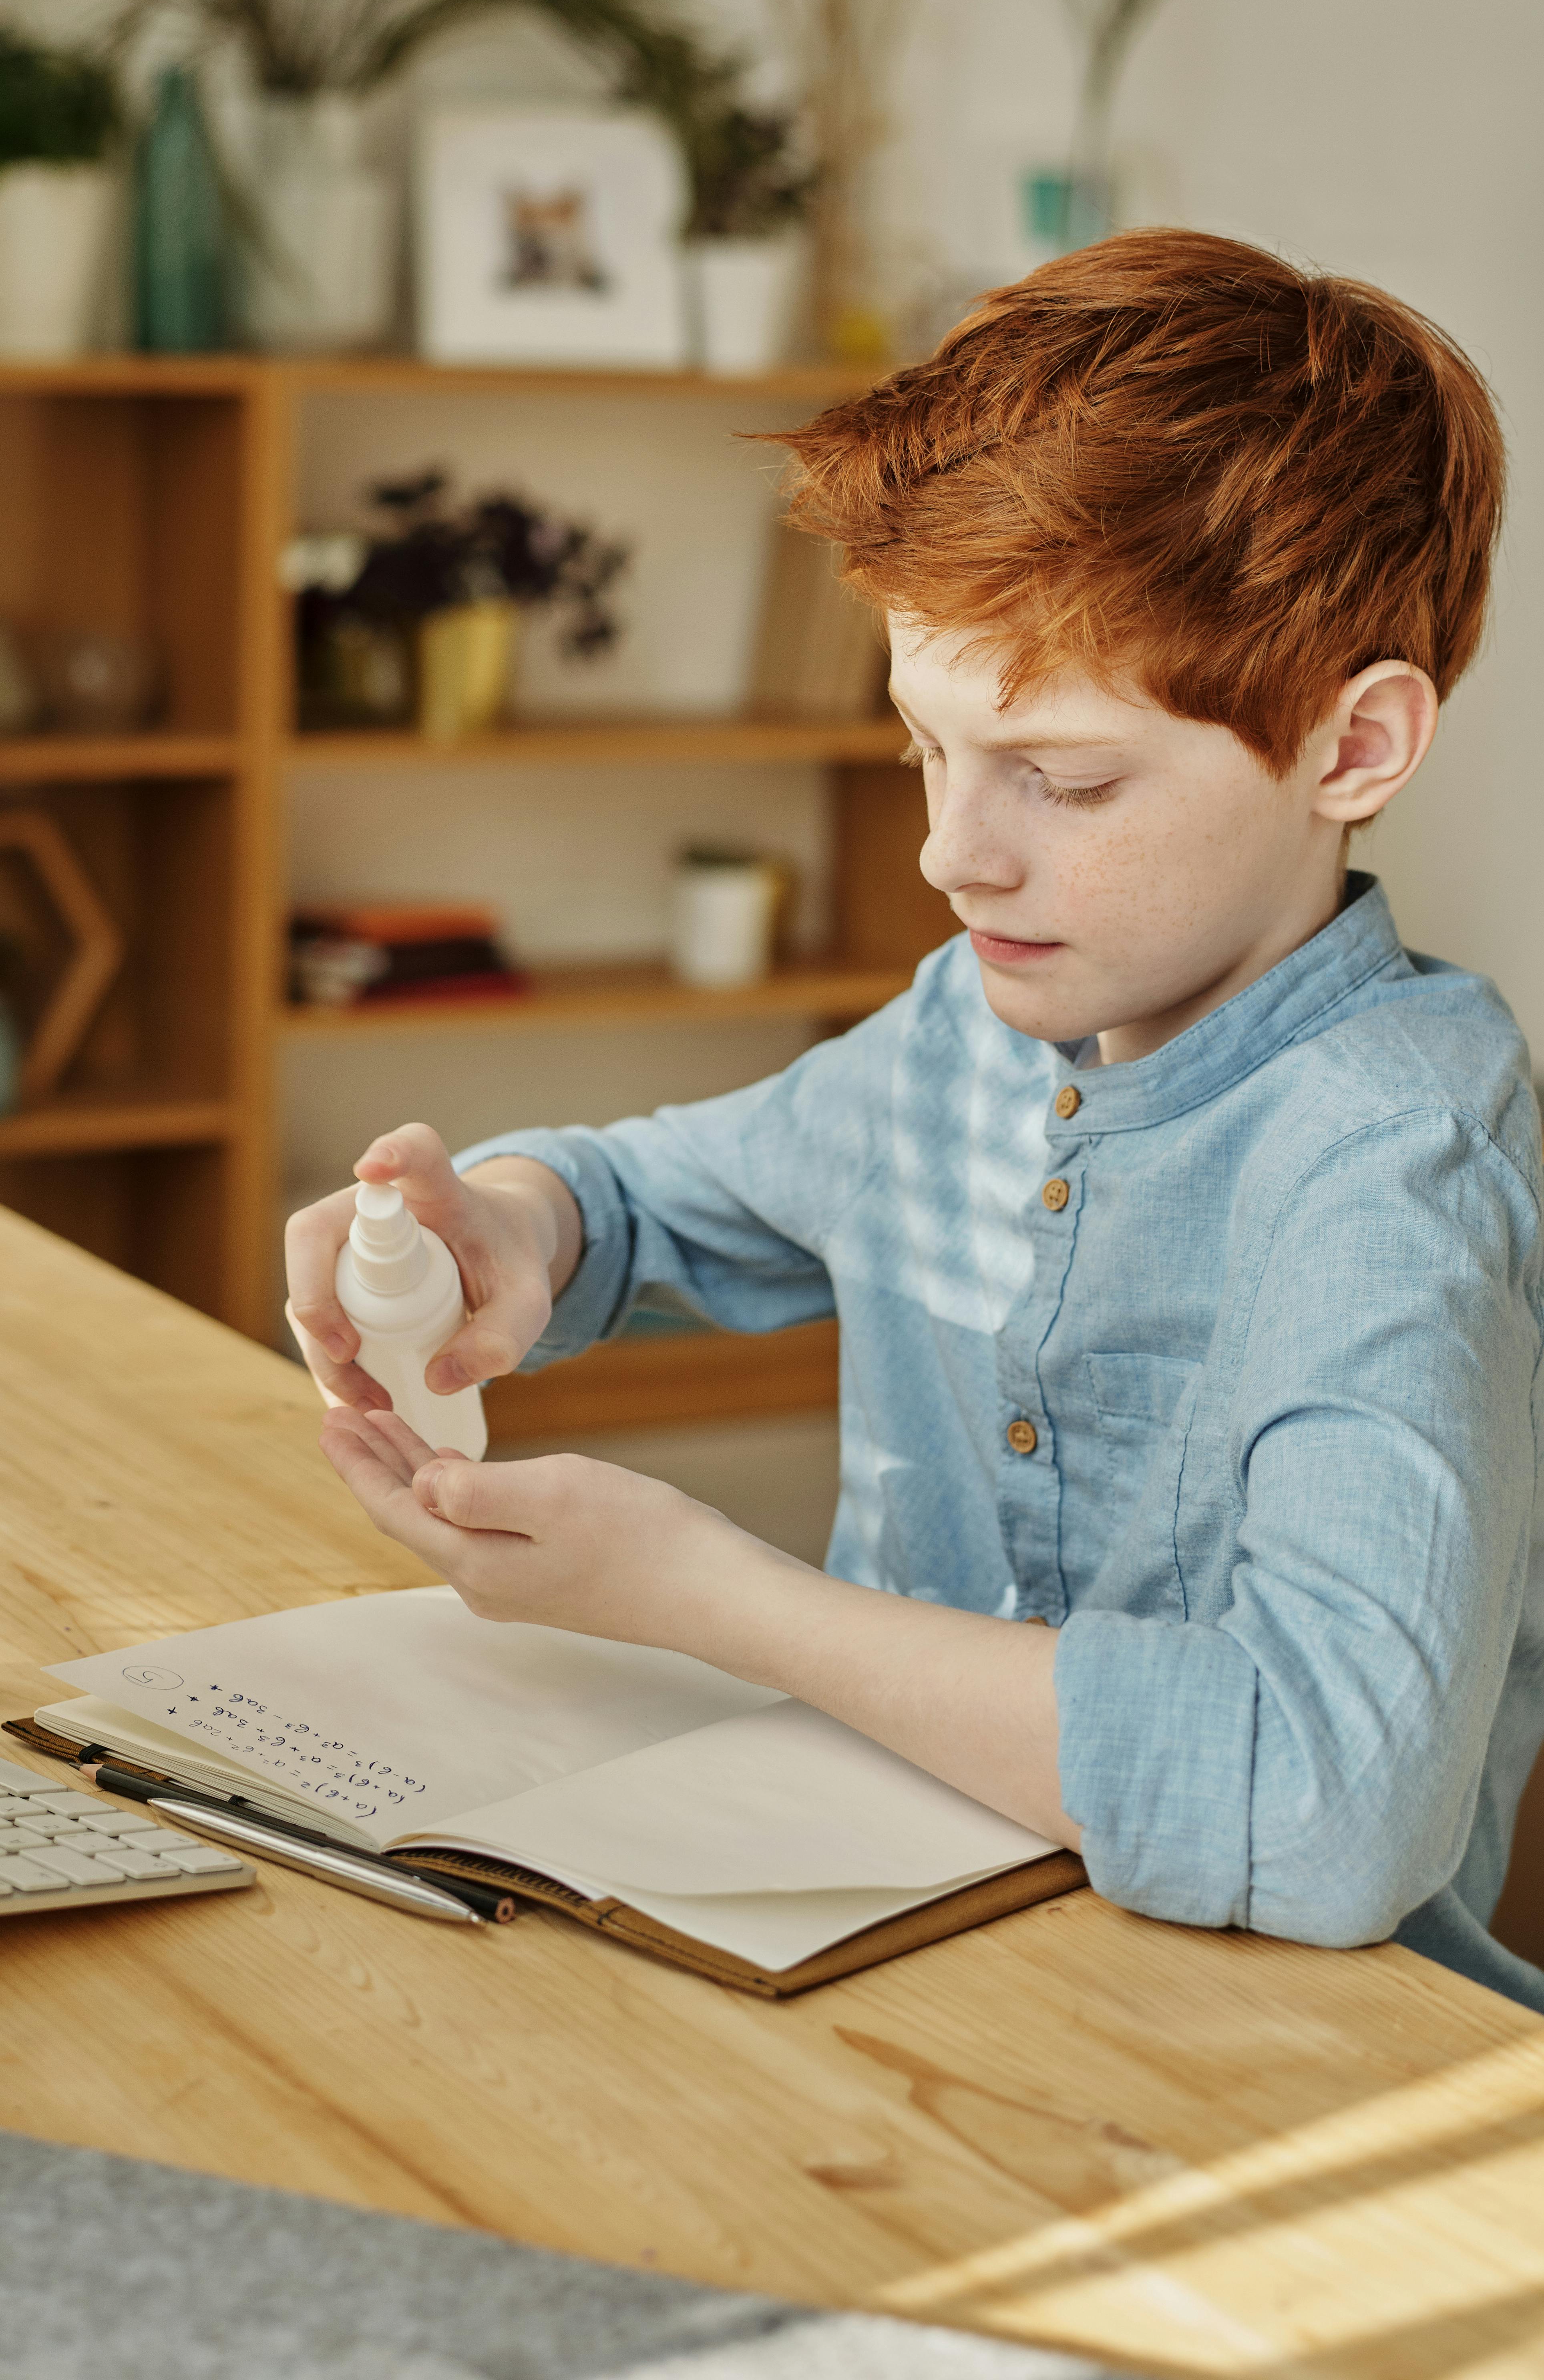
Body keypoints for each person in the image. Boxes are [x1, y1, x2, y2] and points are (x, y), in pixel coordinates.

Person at [285, 230, 1544, 2008]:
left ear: (1351, 750)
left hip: (1277, 2047)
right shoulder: (978, 1017)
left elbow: (1324, 1799)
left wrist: (712, 1598)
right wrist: (505, 1225)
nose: (957, 849)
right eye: (926, 749)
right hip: (885, 1955)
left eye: (1070, 778)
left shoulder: (1392, 1157)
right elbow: (669, 1201)